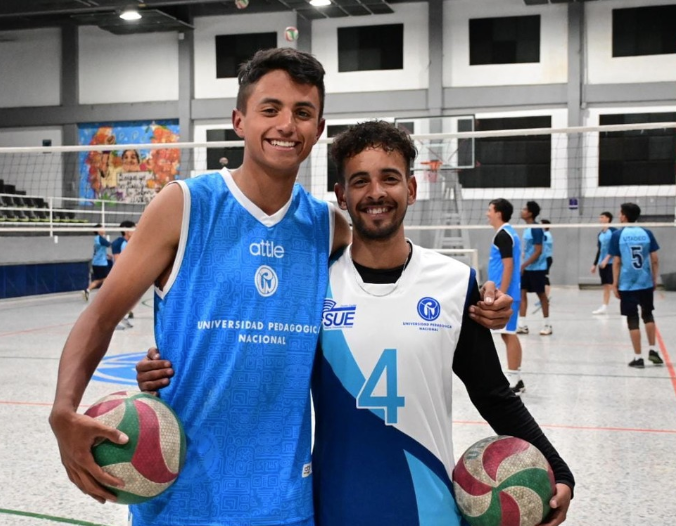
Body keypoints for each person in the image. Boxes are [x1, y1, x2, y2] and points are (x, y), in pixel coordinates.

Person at [49, 50, 511, 526]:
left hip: (286, 504)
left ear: (318, 128)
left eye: (303, 112)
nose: (287, 124)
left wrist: (481, 302)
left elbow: (394, 268)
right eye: (270, 109)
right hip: (181, 496)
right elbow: (100, 316)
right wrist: (63, 409)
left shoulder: (326, 228)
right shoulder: (184, 207)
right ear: (239, 120)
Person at [139, 122, 573, 526]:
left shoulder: (455, 282)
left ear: (412, 187)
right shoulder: (310, 282)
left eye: (389, 177)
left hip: (429, 506)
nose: (376, 192)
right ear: (341, 196)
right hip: (334, 506)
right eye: (360, 181)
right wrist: (164, 372)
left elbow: (493, 393)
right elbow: (251, 360)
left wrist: (559, 470)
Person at [609, 203, 664, 368]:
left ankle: (638, 357)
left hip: (627, 284)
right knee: (648, 315)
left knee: (632, 319)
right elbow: (654, 259)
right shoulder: (647, 233)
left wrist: (614, 283)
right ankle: (653, 350)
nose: (619, 216)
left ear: (624, 216)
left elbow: (617, 261)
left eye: (620, 213)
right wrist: (654, 279)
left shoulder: (618, 235)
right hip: (645, 282)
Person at [487, 198, 526, 395]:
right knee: (508, 334)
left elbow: (508, 265)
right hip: (509, 292)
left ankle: (514, 380)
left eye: (490, 210)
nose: (487, 214)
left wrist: (500, 292)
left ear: (498, 213)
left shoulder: (504, 235)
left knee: (509, 334)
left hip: (506, 294)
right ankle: (516, 377)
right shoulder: (508, 234)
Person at [517, 201, 552, 336]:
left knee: (541, 295)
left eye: (525, 209)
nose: (522, 211)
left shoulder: (536, 228)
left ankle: (547, 325)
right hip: (527, 268)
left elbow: (538, 251)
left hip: (537, 268)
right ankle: (522, 325)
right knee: (522, 294)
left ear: (530, 213)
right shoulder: (527, 228)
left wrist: (524, 265)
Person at [111, 220, 136, 327]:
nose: (136, 230)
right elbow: (118, 261)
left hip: (130, 275)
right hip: (120, 276)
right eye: (134, 228)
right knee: (120, 300)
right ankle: (114, 321)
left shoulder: (132, 243)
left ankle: (123, 317)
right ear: (127, 230)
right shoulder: (118, 243)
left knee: (131, 299)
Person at [590, 211, 616, 315]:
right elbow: (599, 250)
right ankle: (604, 307)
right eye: (600, 217)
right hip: (602, 263)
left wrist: (607, 259)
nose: (600, 219)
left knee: (614, 285)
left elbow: (614, 248)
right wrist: (594, 264)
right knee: (606, 286)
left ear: (608, 219)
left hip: (612, 263)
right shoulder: (600, 234)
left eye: (602, 217)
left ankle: (625, 307)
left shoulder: (614, 232)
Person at [84, 224, 111, 301]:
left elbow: (99, 249)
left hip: (96, 262)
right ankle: (104, 294)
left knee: (99, 279)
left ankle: (87, 290)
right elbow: (110, 245)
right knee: (106, 279)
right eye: (102, 228)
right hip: (101, 263)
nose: (104, 229)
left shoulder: (97, 238)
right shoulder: (100, 239)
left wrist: (106, 254)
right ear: (98, 230)